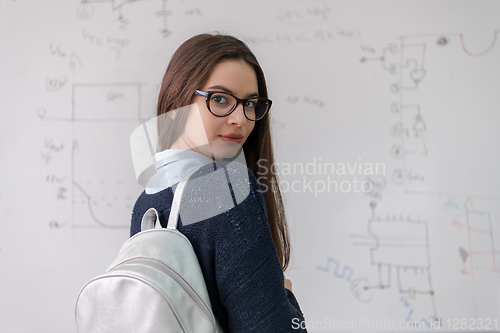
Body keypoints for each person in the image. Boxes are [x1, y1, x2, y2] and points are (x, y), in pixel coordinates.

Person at [130, 32, 307, 332]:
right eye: (220, 99)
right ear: (178, 99)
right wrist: (286, 295)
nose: (241, 118)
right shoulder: (227, 189)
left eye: (251, 104)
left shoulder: (146, 203)